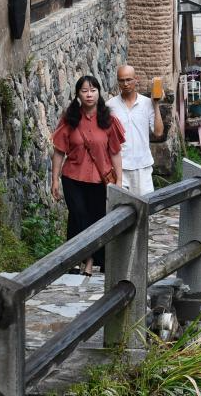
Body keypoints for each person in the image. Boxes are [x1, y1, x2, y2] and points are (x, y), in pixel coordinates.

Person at [51, 75, 125, 277]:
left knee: (96, 218)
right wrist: (54, 179)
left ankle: (84, 259)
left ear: (99, 93)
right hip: (73, 177)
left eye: (93, 90)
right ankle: (85, 259)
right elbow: (59, 151)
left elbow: (115, 152)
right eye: (84, 91)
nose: (89, 94)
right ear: (78, 94)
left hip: (100, 179)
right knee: (78, 214)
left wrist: (119, 180)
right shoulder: (69, 119)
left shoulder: (108, 120)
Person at [106, 65, 164, 197]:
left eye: (128, 79)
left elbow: (158, 132)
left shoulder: (147, 103)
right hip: (119, 167)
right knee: (120, 208)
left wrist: (156, 105)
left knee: (144, 206)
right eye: (121, 80)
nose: (125, 84)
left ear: (136, 79)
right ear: (117, 81)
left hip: (142, 166)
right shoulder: (110, 106)